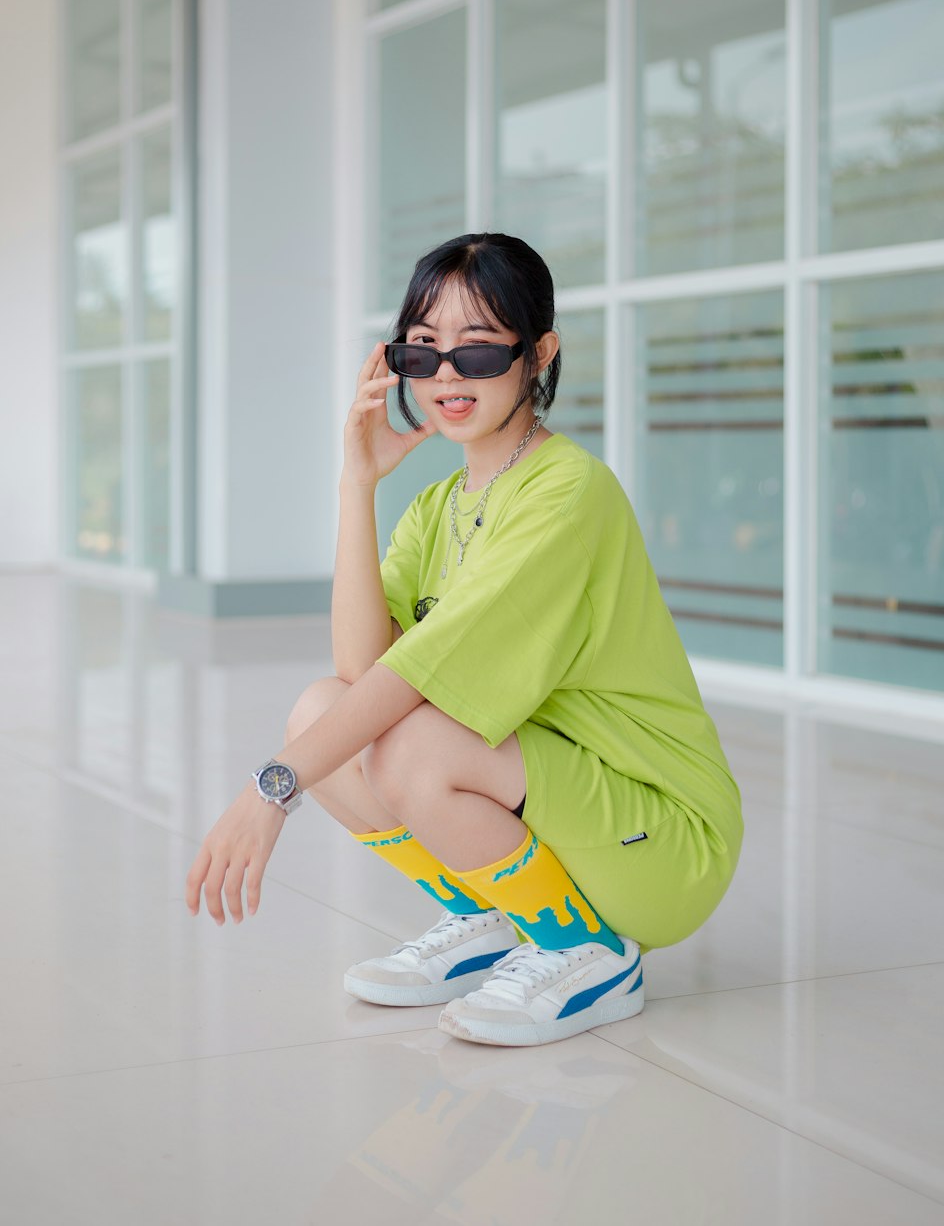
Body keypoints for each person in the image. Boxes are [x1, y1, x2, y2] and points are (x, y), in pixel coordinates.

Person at [185, 232, 743, 1047]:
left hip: (660, 836)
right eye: (421, 352)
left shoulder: (566, 491)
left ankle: (589, 949)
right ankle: (495, 919)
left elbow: (409, 682)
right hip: (563, 800)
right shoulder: (441, 501)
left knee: (410, 745)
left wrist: (272, 788)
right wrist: (358, 482)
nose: (447, 376)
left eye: (478, 353)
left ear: (538, 354)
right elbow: (358, 671)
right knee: (320, 712)